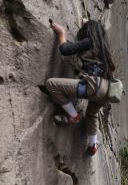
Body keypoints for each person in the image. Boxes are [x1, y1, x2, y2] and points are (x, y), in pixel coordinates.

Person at [46, 20, 115, 156]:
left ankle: (73, 116)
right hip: (106, 91)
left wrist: (61, 33)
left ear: (89, 31)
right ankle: (93, 144)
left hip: (94, 86)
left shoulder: (90, 41)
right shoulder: (103, 49)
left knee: (51, 84)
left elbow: (65, 50)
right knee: (91, 114)